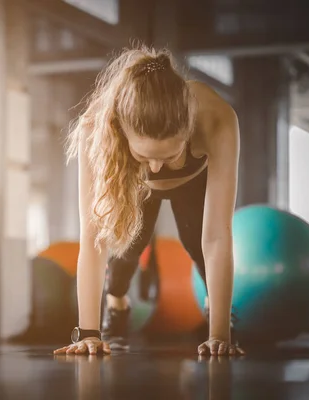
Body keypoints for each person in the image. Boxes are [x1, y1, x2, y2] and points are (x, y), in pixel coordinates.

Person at [53, 45, 245, 357]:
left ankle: (215, 307)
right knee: (127, 250)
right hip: (132, 181)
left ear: (188, 131)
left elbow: (217, 237)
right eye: (144, 155)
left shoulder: (217, 120)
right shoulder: (96, 128)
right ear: (122, 134)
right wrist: (88, 334)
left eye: (170, 155)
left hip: (193, 182)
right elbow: (94, 239)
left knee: (197, 244)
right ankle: (117, 304)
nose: (157, 168)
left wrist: (220, 335)